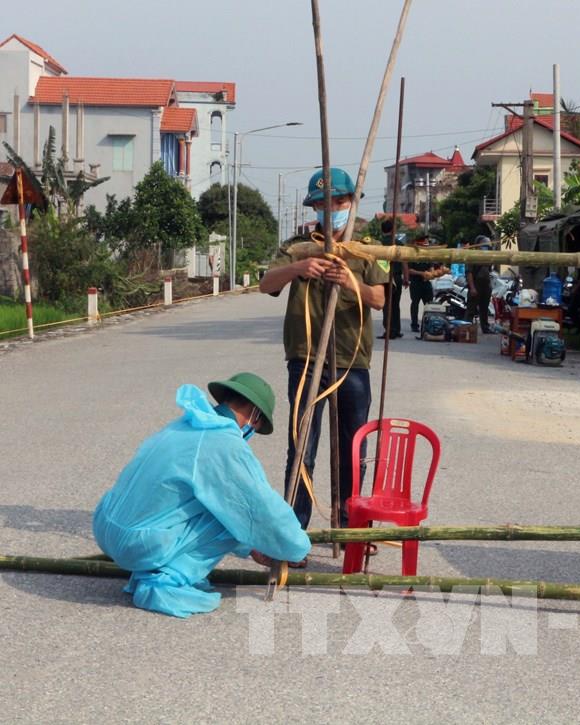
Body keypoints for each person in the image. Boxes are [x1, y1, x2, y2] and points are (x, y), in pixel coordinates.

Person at [92, 373, 311, 619]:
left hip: (107, 526)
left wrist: (250, 547)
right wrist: (295, 546)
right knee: (233, 509)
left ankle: (153, 564)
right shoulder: (223, 443)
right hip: (138, 544)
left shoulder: (184, 424)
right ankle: (166, 580)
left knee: (218, 501)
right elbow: (260, 509)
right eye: (257, 426)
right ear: (254, 415)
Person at [258, 167, 388, 532]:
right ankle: (293, 530)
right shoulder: (298, 246)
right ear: (313, 207)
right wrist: (300, 267)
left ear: (352, 202)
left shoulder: (368, 248)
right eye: (322, 204)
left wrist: (350, 282)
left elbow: (379, 298)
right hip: (305, 358)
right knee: (302, 448)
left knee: (353, 451)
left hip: (351, 360)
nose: (331, 210)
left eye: (339, 202)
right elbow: (266, 284)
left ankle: (350, 526)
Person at [378, 217, 405, 340]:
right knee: (396, 304)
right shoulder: (399, 244)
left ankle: (389, 330)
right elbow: (405, 262)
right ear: (393, 230)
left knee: (387, 305)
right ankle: (396, 329)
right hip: (397, 277)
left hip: (385, 278)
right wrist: (407, 278)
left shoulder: (379, 244)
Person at [405, 228, 437, 334]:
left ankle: (427, 324)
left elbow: (431, 267)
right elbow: (409, 270)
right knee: (415, 304)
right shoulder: (413, 254)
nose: (426, 244)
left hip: (426, 283)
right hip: (415, 283)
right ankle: (414, 325)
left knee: (429, 305)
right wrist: (421, 273)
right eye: (424, 242)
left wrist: (431, 274)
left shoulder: (428, 255)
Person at [465, 234, 494, 334]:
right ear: (478, 246)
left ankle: (485, 327)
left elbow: (489, 271)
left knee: (484, 308)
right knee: (471, 309)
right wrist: (472, 288)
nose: (486, 248)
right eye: (484, 245)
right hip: (476, 284)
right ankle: (466, 329)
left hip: (486, 285)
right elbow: (469, 273)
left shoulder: (488, 257)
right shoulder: (472, 256)